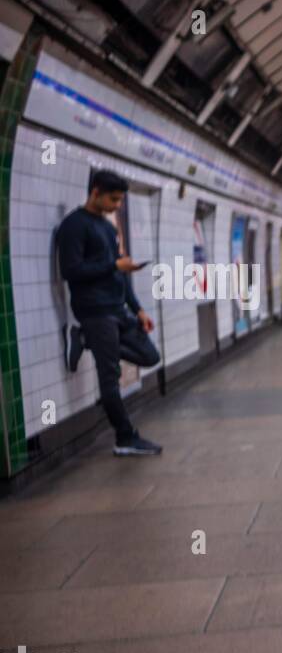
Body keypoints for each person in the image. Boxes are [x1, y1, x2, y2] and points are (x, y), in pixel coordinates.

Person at [57, 169, 163, 457]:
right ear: (95, 192)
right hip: (95, 311)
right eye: (114, 200)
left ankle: (86, 340)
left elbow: (119, 275)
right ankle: (125, 437)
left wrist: (138, 309)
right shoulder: (74, 226)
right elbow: (71, 271)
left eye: (120, 201)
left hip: (117, 309)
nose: (117, 206)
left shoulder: (108, 228)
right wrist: (113, 267)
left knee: (150, 356)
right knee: (110, 378)